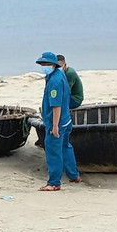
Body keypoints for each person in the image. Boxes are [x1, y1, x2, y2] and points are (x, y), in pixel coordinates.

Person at [36, 51, 80, 191]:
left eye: (47, 64)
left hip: (58, 123)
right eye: (42, 64)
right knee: (66, 147)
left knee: (53, 151)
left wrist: (54, 126)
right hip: (66, 120)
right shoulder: (59, 75)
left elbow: (56, 106)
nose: (44, 66)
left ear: (53, 65)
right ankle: (74, 175)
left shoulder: (55, 81)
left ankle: (54, 183)